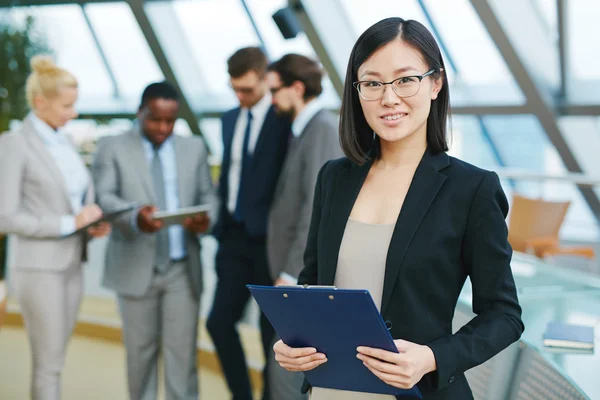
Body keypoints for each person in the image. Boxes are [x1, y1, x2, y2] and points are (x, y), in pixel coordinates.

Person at [272, 17, 524, 400]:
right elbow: (314, 285)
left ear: (436, 83)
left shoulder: (471, 188)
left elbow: (504, 314)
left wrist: (432, 357)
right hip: (330, 391)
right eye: (372, 83)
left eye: (405, 80)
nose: (389, 98)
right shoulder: (335, 177)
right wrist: (292, 341)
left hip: (415, 392)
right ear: (357, 92)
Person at [92, 81, 216, 400]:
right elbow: (104, 197)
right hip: (135, 267)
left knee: (182, 357)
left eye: (170, 121)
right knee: (140, 356)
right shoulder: (112, 146)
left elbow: (208, 196)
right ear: (140, 112)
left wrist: (205, 219)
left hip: (181, 269)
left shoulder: (195, 148)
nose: (163, 128)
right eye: (155, 119)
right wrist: (134, 216)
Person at [0, 55, 110, 400]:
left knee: (56, 360)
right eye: (67, 105)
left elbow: (73, 203)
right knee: (48, 365)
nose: (73, 113)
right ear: (39, 102)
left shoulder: (65, 142)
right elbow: (5, 217)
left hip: (72, 263)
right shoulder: (13, 144)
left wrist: (90, 224)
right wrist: (68, 222)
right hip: (38, 268)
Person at [206, 47, 291, 400]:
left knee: (270, 333)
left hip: (270, 242)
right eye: (235, 89)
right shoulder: (228, 119)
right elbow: (230, 174)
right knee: (218, 322)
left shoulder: (283, 118)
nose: (241, 97)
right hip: (233, 237)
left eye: (248, 90)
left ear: (265, 79)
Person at [265, 54, 342, 400]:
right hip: (293, 271)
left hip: (299, 275)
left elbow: (316, 206)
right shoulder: (304, 130)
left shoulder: (321, 129)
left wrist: (292, 271)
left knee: (288, 371)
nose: (271, 100)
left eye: (275, 90)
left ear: (296, 88)